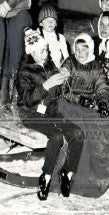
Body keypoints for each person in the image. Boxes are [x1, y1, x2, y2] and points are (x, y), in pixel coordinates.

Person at [14, 29, 85, 201]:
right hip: (30, 114)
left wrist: (64, 79)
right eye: (42, 51)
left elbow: (58, 92)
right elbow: (27, 99)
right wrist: (46, 85)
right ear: (32, 52)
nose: (46, 54)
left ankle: (67, 173)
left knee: (77, 133)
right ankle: (45, 177)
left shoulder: (50, 65)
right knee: (57, 137)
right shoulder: (24, 72)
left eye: (46, 50)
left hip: (51, 112)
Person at [38, 1, 69, 67]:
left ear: (56, 24)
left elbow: (66, 56)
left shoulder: (60, 38)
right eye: (46, 20)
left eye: (53, 20)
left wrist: (66, 66)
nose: (50, 22)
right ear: (41, 23)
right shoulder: (37, 36)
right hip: (43, 67)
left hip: (58, 66)